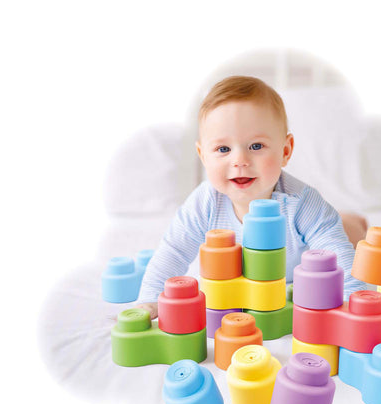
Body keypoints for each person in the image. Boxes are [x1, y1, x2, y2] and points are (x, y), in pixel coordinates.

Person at [136, 76, 367, 318]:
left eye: (256, 146)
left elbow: (336, 254)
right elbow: (174, 251)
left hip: (301, 260)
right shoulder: (204, 203)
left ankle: (353, 221)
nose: (240, 161)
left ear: (285, 151)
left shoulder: (302, 203)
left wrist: (354, 304)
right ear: (203, 156)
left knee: (346, 235)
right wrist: (150, 299)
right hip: (247, 287)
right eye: (223, 149)